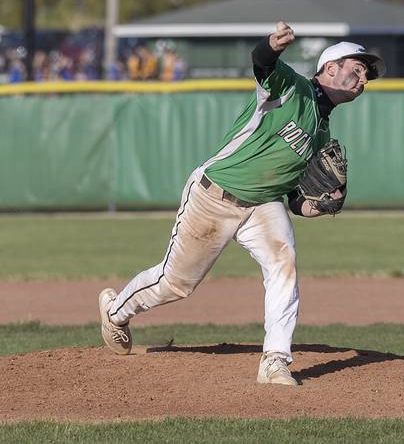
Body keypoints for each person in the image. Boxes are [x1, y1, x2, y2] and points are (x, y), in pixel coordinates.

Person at [98, 21, 385, 386]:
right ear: (330, 67)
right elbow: (262, 62)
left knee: (283, 264)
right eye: (357, 69)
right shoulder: (291, 87)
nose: (363, 78)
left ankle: (275, 360)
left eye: (367, 75)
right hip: (214, 193)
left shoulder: (321, 132)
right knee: (176, 283)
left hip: (263, 204)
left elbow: (295, 199)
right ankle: (116, 312)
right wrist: (273, 44)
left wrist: (319, 206)